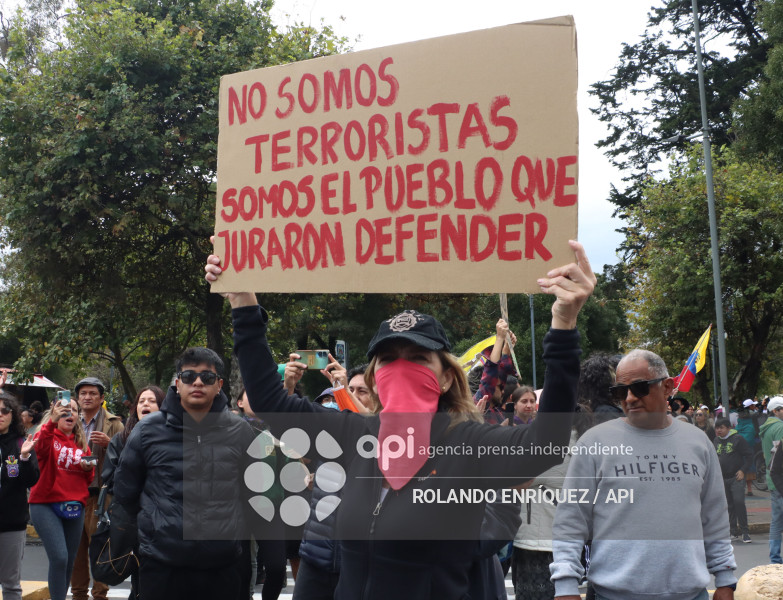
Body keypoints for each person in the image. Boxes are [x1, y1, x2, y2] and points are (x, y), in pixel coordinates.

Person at [206, 239, 596, 600]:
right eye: (389, 359)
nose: (402, 368)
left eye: (418, 358)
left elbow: (547, 442)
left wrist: (563, 326)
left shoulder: (470, 443)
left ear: (445, 376)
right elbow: (268, 399)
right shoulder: (353, 434)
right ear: (375, 377)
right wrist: (243, 301)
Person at [550, 349, 737, 600]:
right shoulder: (594, 442)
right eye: (619, 392)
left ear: (668, 387)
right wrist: (565, 586)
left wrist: (725, 580)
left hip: (692, 595)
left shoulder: (698, 442)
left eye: (639, 388)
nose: (629, 398)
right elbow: (571, 521)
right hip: (612, 595)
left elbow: (714, 516)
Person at [113, 348, 259, 600]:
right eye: (189, 376)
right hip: (162, 564)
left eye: (208, 377)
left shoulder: (240, 432)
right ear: (178, 383)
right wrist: (144, 542)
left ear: (219, 385)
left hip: (223, 564)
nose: (198, 382)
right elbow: (125, 493)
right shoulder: (147, 431)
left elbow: (252, 495)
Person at [101, 386, 164, 600]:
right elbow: (110, 480)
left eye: (152, 401)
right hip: (132, 521)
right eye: (141, 401)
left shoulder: (173, 438)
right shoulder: (121, 439)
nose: (145, 404)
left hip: (165, 520)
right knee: (139, 578)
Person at [29, 398, 95, 600]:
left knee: (69, 561)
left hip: (75, 505)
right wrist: (51, 422)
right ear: (55, 412)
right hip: (45, 504)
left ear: (78, 416)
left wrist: (88, 468)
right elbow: (38, 449)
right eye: (64, 409)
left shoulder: (82, 443)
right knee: (59, 557)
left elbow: (89, 478)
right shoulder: (46, 434)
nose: (70, 413)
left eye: (74, 410)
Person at [71, 377, 124, 600]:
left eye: (93, 393)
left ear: (102, 398)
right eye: (83, 393)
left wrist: (109, 442)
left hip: (99, 494)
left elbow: (128, 455)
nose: (87, 397)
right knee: (75, 551)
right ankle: (78, 594)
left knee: (99, 548)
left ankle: (100, 595)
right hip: (72, 493)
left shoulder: (115, 423)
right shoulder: (69, 420)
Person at [0, 395, 40, 600]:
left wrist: (24, 458)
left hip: (11, 523)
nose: (0, 414)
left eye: (5, 410)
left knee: (11, 585)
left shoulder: (20, 443)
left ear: (12, 415)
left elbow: (30, 480)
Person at [713, 418, 753, 543]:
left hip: (736, 477)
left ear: (729, 428)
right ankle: (733, 531)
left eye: (722, 428)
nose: (719, 430)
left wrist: (743, 470)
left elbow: (750, 455)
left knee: (739, 502)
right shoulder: (716, 440)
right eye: (717, 428)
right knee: (729, 505)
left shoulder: (738, 439)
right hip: (723, 478)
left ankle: (745, 532)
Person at [474, 319, 518, 424]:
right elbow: (489, 379)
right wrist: (499, 338)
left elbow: (502, 372)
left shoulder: (497, 411)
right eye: (499, 387)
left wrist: (506, 349)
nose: (504, 391)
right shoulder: (477, 405)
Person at [759, 395, 783, 564]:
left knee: (776, 521)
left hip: (772, 479)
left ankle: (775, 558)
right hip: (780, 478)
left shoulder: (766, 428)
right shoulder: (780, 427)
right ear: (776, 411)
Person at [736, 399, 760, 496]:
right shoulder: (750, 423)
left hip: (742, 451)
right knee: (747, 467)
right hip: (747, 450)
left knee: (745, 468)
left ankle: (748, 489)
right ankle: (747, 489)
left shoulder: (741, 425)